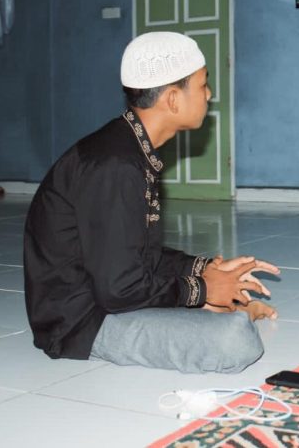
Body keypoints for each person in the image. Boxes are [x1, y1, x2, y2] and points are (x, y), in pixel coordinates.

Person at [24, 31, 279, 373]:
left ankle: (210, 310)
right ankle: (218, 314)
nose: (210, 94)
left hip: (106, 300)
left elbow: (139, 257)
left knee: (219, 316)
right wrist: (201, 291)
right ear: (173, 99)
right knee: (234, 340)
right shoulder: (115, 165)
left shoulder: (128, 149)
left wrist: (202, 269)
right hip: (82, 322)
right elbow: (119, 288)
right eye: (203, 85)